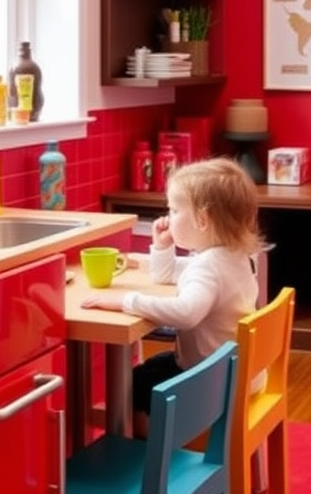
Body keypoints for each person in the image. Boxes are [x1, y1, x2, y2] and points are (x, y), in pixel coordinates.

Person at [81, 156, 260, 432]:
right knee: (151, 368)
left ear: (203, 219)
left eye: (175, 211)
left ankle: (147, 452)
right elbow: (174, 274)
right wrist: (162, 248)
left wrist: (126, 302)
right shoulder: (232, 257)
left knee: (136, 386)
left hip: (212, 383)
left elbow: (186, 314)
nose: (168, 217)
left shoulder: (209, 268)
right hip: (239, 373)